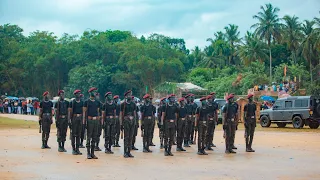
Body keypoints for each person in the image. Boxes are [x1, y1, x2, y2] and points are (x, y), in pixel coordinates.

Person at [83, 87, 101, 159]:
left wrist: (98, 119)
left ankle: (93, 153)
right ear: (90, 93)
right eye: (93, 91)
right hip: (89, 120)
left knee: (94, 136)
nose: (95, 92)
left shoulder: (97, 102)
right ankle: (88, 153)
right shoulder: (86, 102)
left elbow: (98, 111)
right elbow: (84, 112)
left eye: (95, 91)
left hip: (95, 120)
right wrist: (84, 122)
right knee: (89, 136)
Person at [121, 90, 137, 158]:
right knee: (126, 137)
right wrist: (121, 123)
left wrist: (135, 121)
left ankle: (129, 152)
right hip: (126, 121)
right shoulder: (123, 104)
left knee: (131, 136)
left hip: (132, 121)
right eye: (129, 95)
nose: (130, 96)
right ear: (126, 96)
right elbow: (121, 114)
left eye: (131, 94)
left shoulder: (133, 103)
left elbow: (134, 113)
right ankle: (125, 152)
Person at [68, 89, 83, 155]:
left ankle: (77, 149)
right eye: (77, 93)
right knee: (74, 134)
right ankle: (73, 149)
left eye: (79, 93)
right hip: (74, 118)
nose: (79, 95)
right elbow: (70, 112)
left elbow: (83, 111)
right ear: (75, 95)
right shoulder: (72, 102)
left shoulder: (82, 102)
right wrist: (69, 121)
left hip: (80, 118)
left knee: (79, 134)